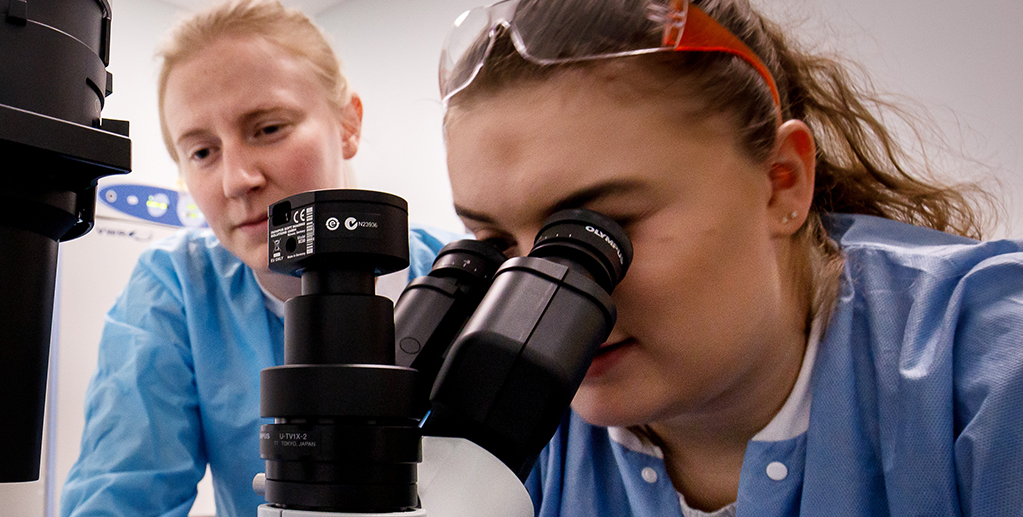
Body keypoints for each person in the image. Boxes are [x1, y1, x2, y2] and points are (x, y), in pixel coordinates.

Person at [436, 0, 1022, 515]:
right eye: (496, 247)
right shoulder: (505, 423)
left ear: (780, 183)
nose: (537, 302)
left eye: (595, 232)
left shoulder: (988, 380)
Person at [59, 2, 453, 516]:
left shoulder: (466, 280)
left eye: (268, 129)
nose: (236, 180)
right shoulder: (179, 288)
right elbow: (120, 498)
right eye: (202, 152)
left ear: (348, 123)